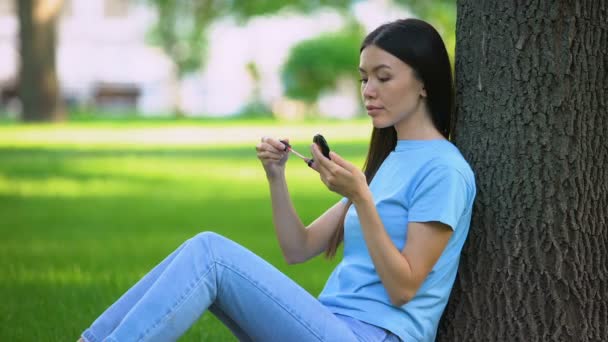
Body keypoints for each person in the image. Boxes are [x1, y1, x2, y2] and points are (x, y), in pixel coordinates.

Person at [80, 18, 476, 342]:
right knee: (206, 254)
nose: (368, 91)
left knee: (210, 255)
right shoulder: (389, 163)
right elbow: (297, 247)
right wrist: (276, 177)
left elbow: (404, 289)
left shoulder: (444, 170)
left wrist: (361, 198)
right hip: (331, 323)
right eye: (363, 78)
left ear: (424, 82)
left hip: (374, 335)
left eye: (383, 77)